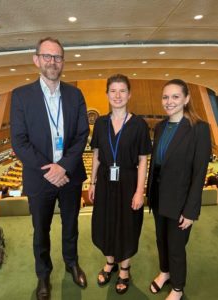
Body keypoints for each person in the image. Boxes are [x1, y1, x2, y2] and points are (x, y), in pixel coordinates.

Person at [10, 37, 89, 299]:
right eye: (47, 56)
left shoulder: (75, 94)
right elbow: (19, 141)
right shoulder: (20, 96)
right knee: (40, 231)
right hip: (39, 178)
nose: (53, 62)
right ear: (36, 60)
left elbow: (82, 135)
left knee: (71, 226)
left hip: (70, 176)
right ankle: (43, 276)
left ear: (63, 62)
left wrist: (63, 167)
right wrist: (50, 170)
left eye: (57, 57)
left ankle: (71, 263)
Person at [147, 79, 211, 300]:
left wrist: (191, 210)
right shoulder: (161, 127)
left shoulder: (199, 129)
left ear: (186, 99)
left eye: (175, 96)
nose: (169, 101)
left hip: (180, 201)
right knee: (161, 240)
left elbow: (199, 172)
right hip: (158, 197)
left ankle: (177, 288)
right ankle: (165, 273)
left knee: (176, 246)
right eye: (165, 97)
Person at [88, 74, 152, 294]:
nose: (117, 95)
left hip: (128, 181)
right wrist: (92, 181)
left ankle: (124, 268)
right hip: (105, 181)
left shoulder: (139, 124)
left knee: (127, 225)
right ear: (107, 94)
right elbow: (96, 153)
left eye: (122, 90)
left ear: (129, 94)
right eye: (113, 91)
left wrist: (139, 191)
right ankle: (109, 262)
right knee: (104, 222)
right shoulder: (101, 123)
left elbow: (143, 160)